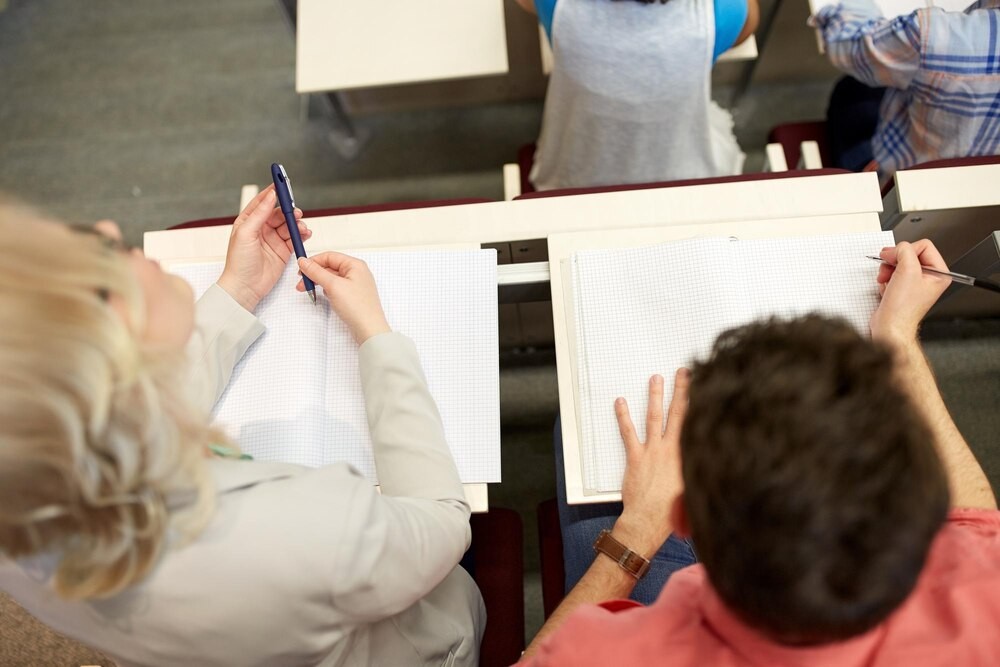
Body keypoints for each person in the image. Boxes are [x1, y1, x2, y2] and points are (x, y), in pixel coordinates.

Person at [0, 190, 484, 666]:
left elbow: (117, 416)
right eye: (97, 260)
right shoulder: (304, 531)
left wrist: (240, 291)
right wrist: (377, 338)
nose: (107, 228)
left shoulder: (27, 495)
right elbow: (441, 518)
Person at [519, 239, 1000, 664]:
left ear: (684, 517)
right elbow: (978, 526)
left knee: (580, 430)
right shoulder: (985, 606)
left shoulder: (615, 652)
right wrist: (897, 339)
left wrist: (638, 530)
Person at [515, 0, 758, 191]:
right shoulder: (724, 11)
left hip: (578, 170)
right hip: (681, 164)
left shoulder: (557, 4)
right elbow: (749, 22)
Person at [813, 0, 1000, 179]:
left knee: (851, 89)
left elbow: (848, 42)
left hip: (900, 193)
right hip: (984, 198)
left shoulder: (933, 34)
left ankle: (865, 173)